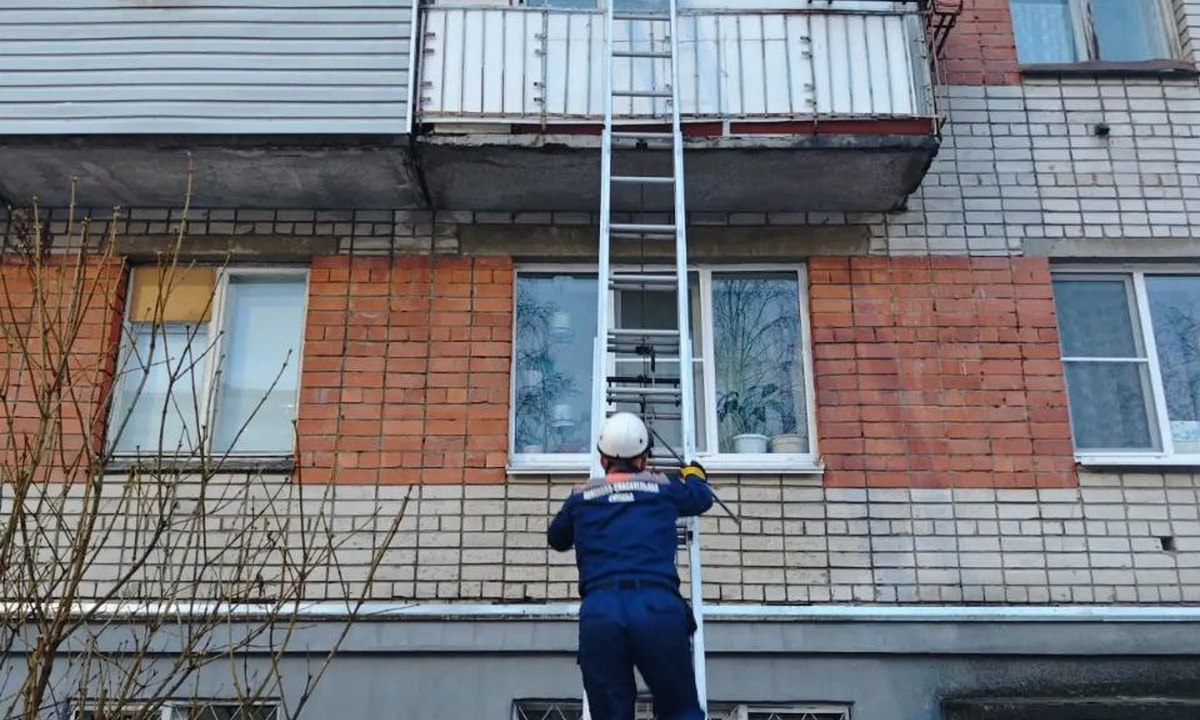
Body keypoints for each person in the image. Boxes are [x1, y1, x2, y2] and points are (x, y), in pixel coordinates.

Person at [548, 412, 714, 720]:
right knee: (681, 712)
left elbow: (556, 539)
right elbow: (701, 498)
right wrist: (693, 473)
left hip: (601, 614)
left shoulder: (580, 498)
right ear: (643, 459)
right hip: (657, 609)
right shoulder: (664, 488)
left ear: (601, 459)